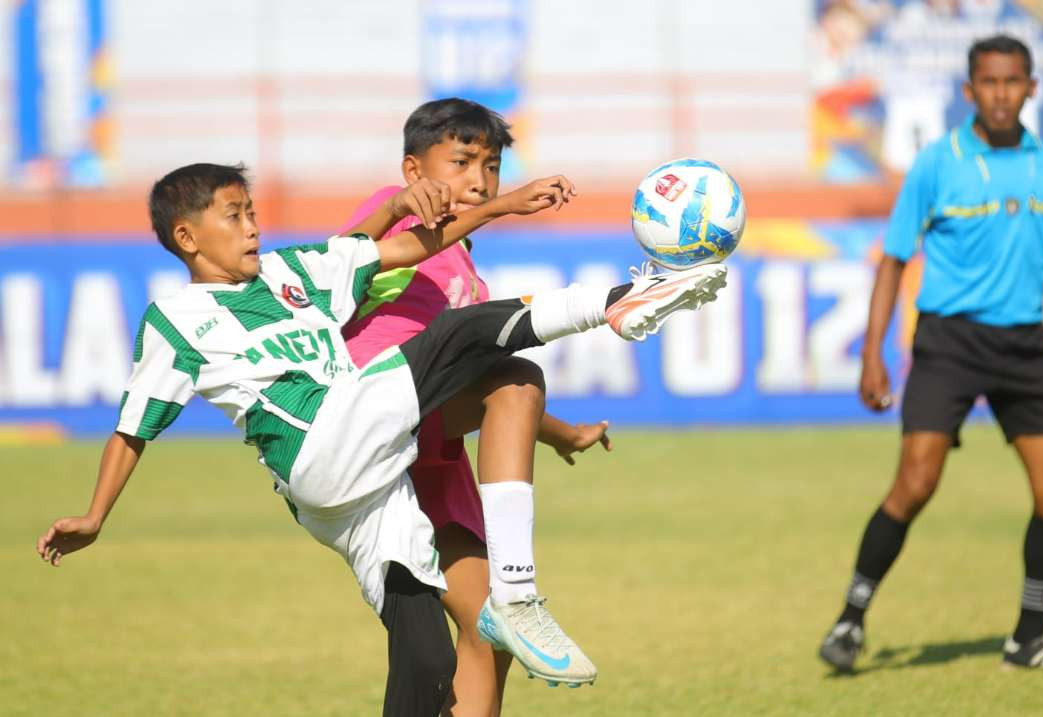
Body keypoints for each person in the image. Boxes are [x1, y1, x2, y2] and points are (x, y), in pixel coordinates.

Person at [36, 162, 728, 715]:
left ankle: (622, 307)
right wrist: (95, 515)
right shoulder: (176, 316)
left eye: (252, 211)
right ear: (186, 237)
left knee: (426, 656)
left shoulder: (291, 273)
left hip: (357, 492)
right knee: (459, 337)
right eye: (233, 215)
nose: (252, 226)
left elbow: (403, 246)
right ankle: (618, 303)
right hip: (319, 444)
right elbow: (133, 426)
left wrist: (498, 206)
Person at [340, 98, 611, 716]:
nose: (479, 179)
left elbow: (490, 396)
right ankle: (521, 592)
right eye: (461, 161)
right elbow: (342, 258)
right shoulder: (392, 209)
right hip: (378, 434)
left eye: (490, 166)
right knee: (516, 366)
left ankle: (513, 602)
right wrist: (501, 205)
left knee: (488, 632)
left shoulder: (464, 269)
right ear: (414, 170)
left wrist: (562, 434)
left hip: (434, 461)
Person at [818, 35, 1043, 672]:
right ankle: (851, 619)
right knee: (915, 484)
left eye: (1013, 82)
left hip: (1024, 347)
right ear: (969, 92)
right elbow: (893, 260)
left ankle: (1028, 638)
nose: (1000, 94)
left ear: (1031, 89)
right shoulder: (937, 164)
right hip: (949, 344)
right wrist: (872, 355)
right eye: (988, 83)